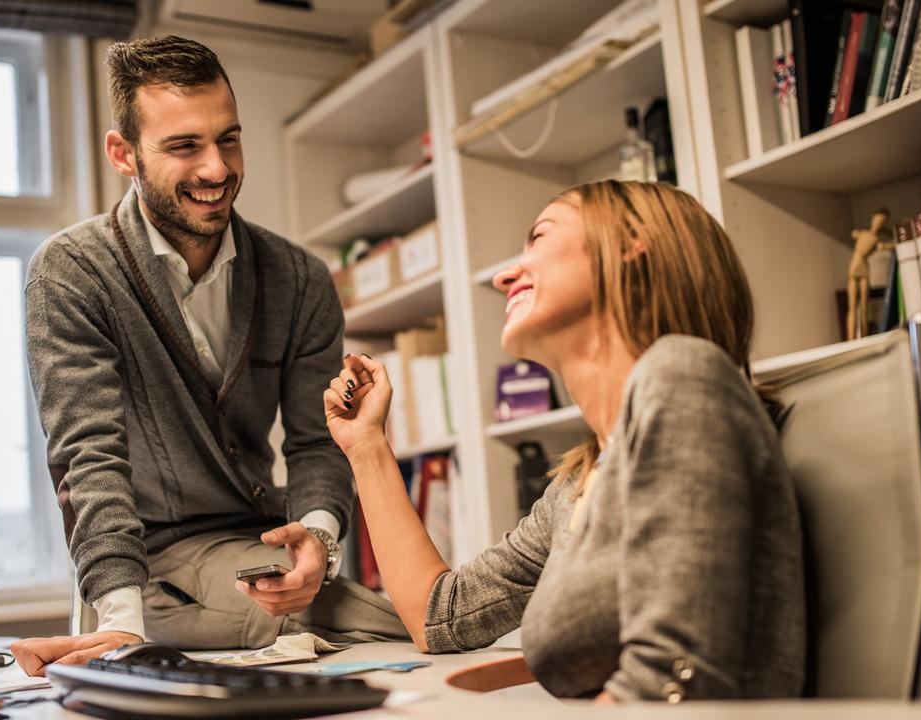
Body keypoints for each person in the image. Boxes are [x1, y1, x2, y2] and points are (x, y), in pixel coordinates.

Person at [306, 180, 806, 701]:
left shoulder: (685, 379)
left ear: (631, 244)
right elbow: (442, 617)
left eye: (539, 238)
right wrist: (366, 444)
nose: (503, 275)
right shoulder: (580, 483)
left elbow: (674, 680)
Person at [10, 36, 406, 676]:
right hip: (149, 565)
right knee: (392, 626)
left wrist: (320, 544)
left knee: (386, 620)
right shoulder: (70, 274)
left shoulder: (299, 278)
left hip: (257, 546)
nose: (217, 169)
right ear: (124, 154)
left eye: (229, 139)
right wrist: (121, 625)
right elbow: (88, 455)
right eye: (184, 146)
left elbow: (315, 440)